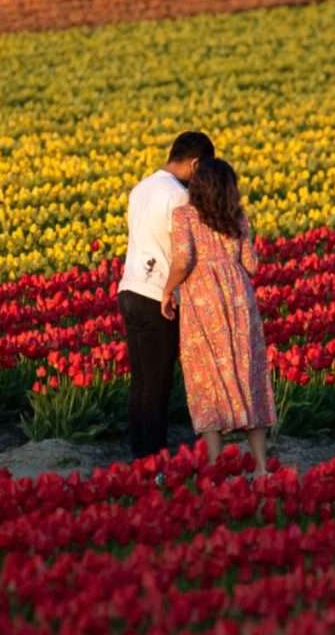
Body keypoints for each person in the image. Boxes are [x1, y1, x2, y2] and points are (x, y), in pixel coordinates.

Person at [160, 158, 276, 478]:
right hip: (239, 298)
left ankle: (214, 466)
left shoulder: (184, 215)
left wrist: (168, 291)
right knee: (248, 372)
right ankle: (261, 467)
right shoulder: (237, 217)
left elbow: (183, 260)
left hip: (202, 298)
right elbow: (251, 265)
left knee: (205, 375)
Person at [117, 131, 216, 459]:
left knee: (141, 381)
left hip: (130, 288)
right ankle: (153, 460)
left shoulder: (141, 188)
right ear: (196, 164)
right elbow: (184, 253)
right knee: (157, 384)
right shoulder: (179, 197)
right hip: (159, 295)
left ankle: (139, 456)